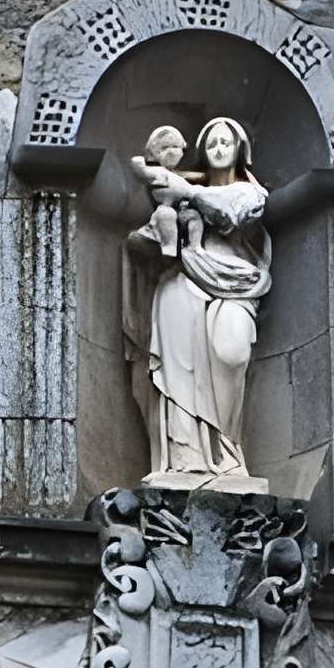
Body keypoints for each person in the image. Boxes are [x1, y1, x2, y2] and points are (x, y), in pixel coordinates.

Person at [122, 114, 271, 487]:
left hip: (236, 284)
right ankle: (184, 458)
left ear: (239, 149)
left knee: (232, 352)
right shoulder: (185, 192)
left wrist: (184, 189)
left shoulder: (250, 193)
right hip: (182, 279)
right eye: (212, 143)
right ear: (203, 151)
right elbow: (150, 237)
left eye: (226, 142)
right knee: (177, 369)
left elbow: (231, 214)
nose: (219, 149)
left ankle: (227, 453)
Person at [129, 124, 200, 262]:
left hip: (183, 210)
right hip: (164, 211)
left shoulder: (182, 175)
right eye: (164, 148)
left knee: (194, 216)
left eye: (175, 147)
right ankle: (169, 248)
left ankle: (195, 249)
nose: (171, 152)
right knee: (166, 214)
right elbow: (137, 163)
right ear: (154, 152)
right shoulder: (155, 172)